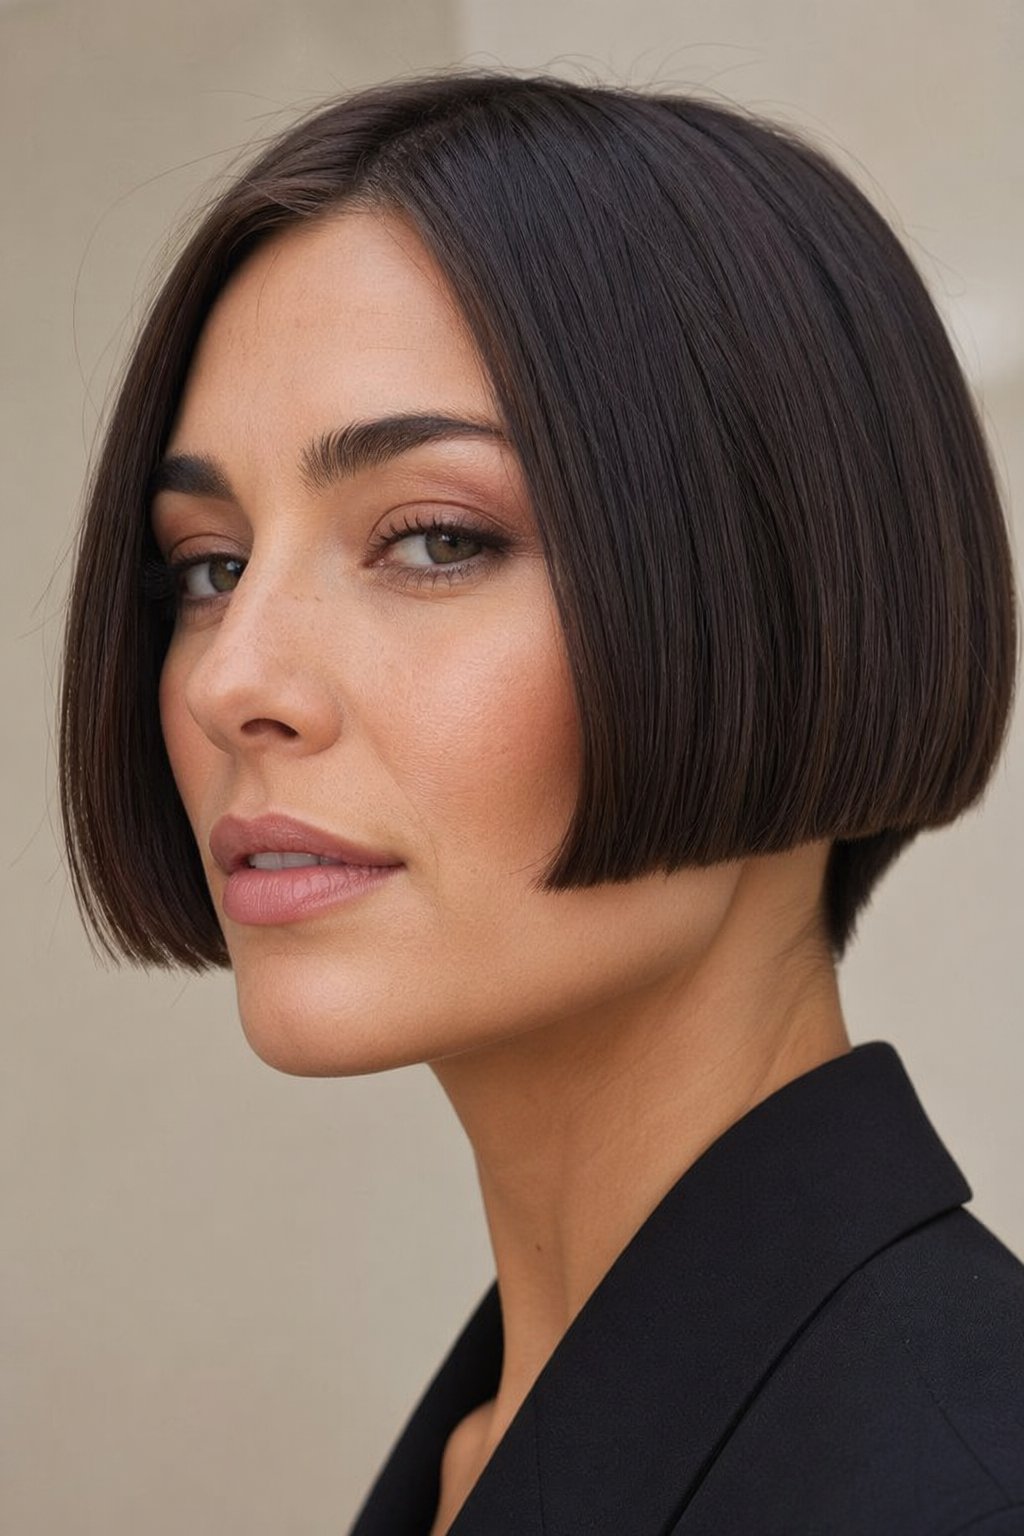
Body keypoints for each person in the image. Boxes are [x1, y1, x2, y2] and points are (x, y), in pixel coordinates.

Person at [57, 69, 1023, 1535]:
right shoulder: (504, 1435)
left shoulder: (952, 1479)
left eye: (433, 539)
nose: (227, 678)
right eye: (207, 565)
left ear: (783, 596)